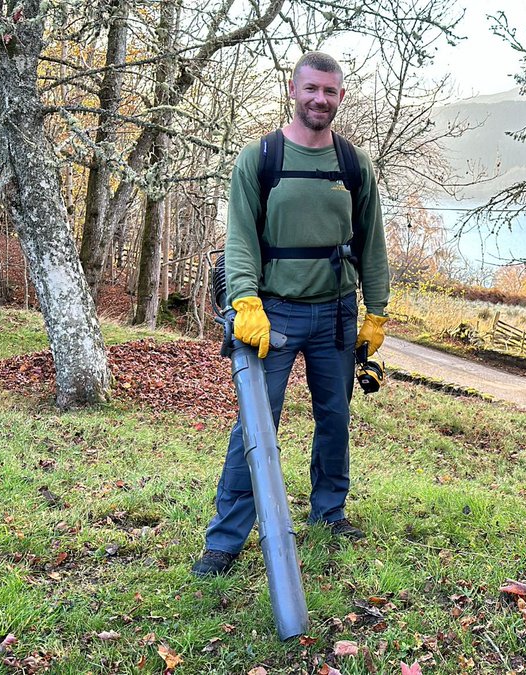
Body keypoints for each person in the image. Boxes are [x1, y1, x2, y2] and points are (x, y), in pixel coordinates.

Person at [192, 52, 390, 577]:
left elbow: (372, 243)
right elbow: (239, 239)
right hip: (272, 315)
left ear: (340, 97)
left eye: (329, 91)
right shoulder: (260, 157)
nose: (319, 99)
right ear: (293, 90)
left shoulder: (353, 164)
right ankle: (225, 540)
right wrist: (245, 301)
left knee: (335, 420)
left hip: (338, 317)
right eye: (311, 89)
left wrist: (378, 311)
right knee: (256, 427)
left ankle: (329, 513)